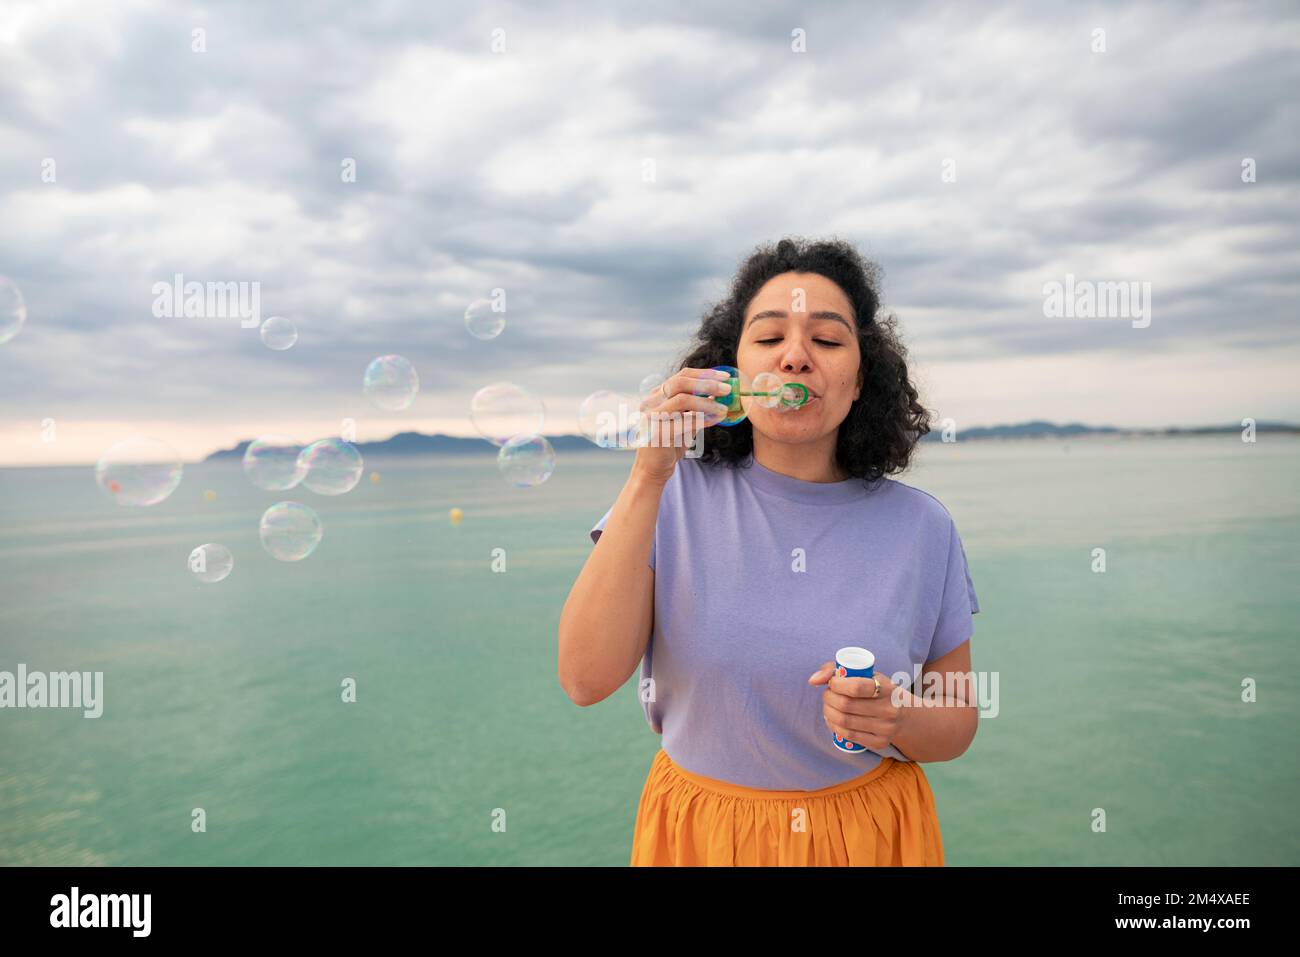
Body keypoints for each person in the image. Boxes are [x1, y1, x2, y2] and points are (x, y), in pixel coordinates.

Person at [558, 237, 980, 866]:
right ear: (730, 374)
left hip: (868, 836)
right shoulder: (668, 495)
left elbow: (957, 721)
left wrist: (897, 719)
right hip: (705, 839)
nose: (795, 358)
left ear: (863, 380)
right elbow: (584, 680)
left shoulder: (923, 527)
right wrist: (647, 474)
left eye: (828, 341)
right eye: (768, 337)